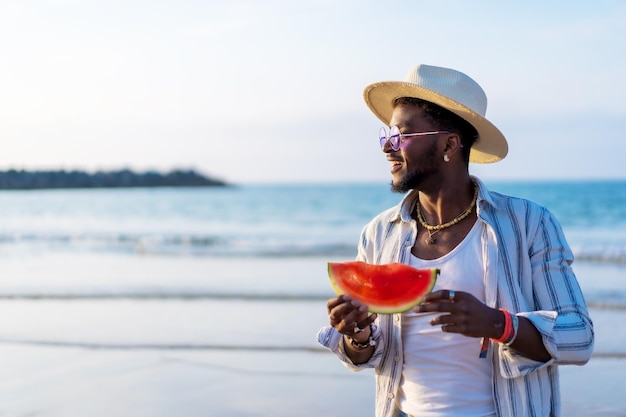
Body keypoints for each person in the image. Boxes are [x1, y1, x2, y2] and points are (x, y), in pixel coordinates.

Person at [317, 64, 594, 417]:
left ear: (449, 143)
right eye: (386, 135)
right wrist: (357, 335)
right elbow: (368, 356)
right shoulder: (379, 232)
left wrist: (499, 324)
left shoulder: (529, 223)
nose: (388, 147)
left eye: (402, 134)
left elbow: (579, 337)